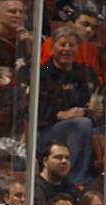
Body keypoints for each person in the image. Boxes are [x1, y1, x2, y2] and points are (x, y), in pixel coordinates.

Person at [38, 24, 103, 186]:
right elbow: (33, 111)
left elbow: (96, 100)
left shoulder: (87, 72)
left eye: (71, 45)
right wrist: (62, 114)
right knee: (82, 124)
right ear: (53, 48)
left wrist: (97, 109)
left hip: (87, 126)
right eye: (62, 44)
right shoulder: (43, 72)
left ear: (78, 49)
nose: (67, 49)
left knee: (93, 126)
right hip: (48, 131)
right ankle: (73, 181)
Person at [0, 0, 32, 144]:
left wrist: (31, 50)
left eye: (22, 12)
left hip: (20, 94)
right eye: (12, 11)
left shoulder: (28, 41)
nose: (18, 15)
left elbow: (44, 71)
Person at [41, 9, 103, 82]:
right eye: (85, 24)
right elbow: (44, 68)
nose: (89, 30)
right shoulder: (53, 42)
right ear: (71, 24)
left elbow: (97, 75)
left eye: (93, 28)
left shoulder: (92, 48)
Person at [34, 141, 81, 205]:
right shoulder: (33, 187)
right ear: (45, 161)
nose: (64, 161)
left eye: (67, 158)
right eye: (58, 157)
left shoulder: (72, 189)